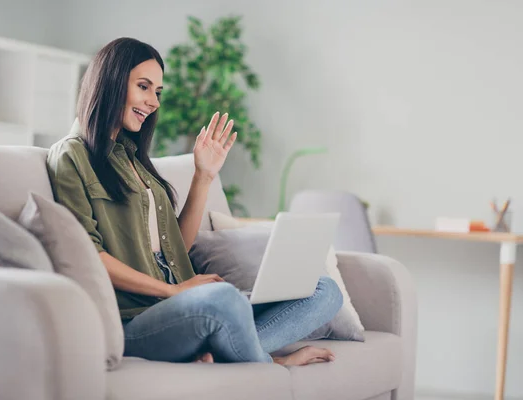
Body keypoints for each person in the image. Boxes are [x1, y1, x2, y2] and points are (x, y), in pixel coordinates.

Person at [47, 37, 343, 366]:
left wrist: (203, 175)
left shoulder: (134, 157)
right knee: (222, 299)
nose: (153, 102)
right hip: (135, 319)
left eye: (157, 92)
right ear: (112, 81)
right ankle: (269, 363)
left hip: (185, 304)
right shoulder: (71, 155)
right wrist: (174, 291)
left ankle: (232, 349)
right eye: (144, 87)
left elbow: (175, 247)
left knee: (324, 291)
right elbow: (88, 255)